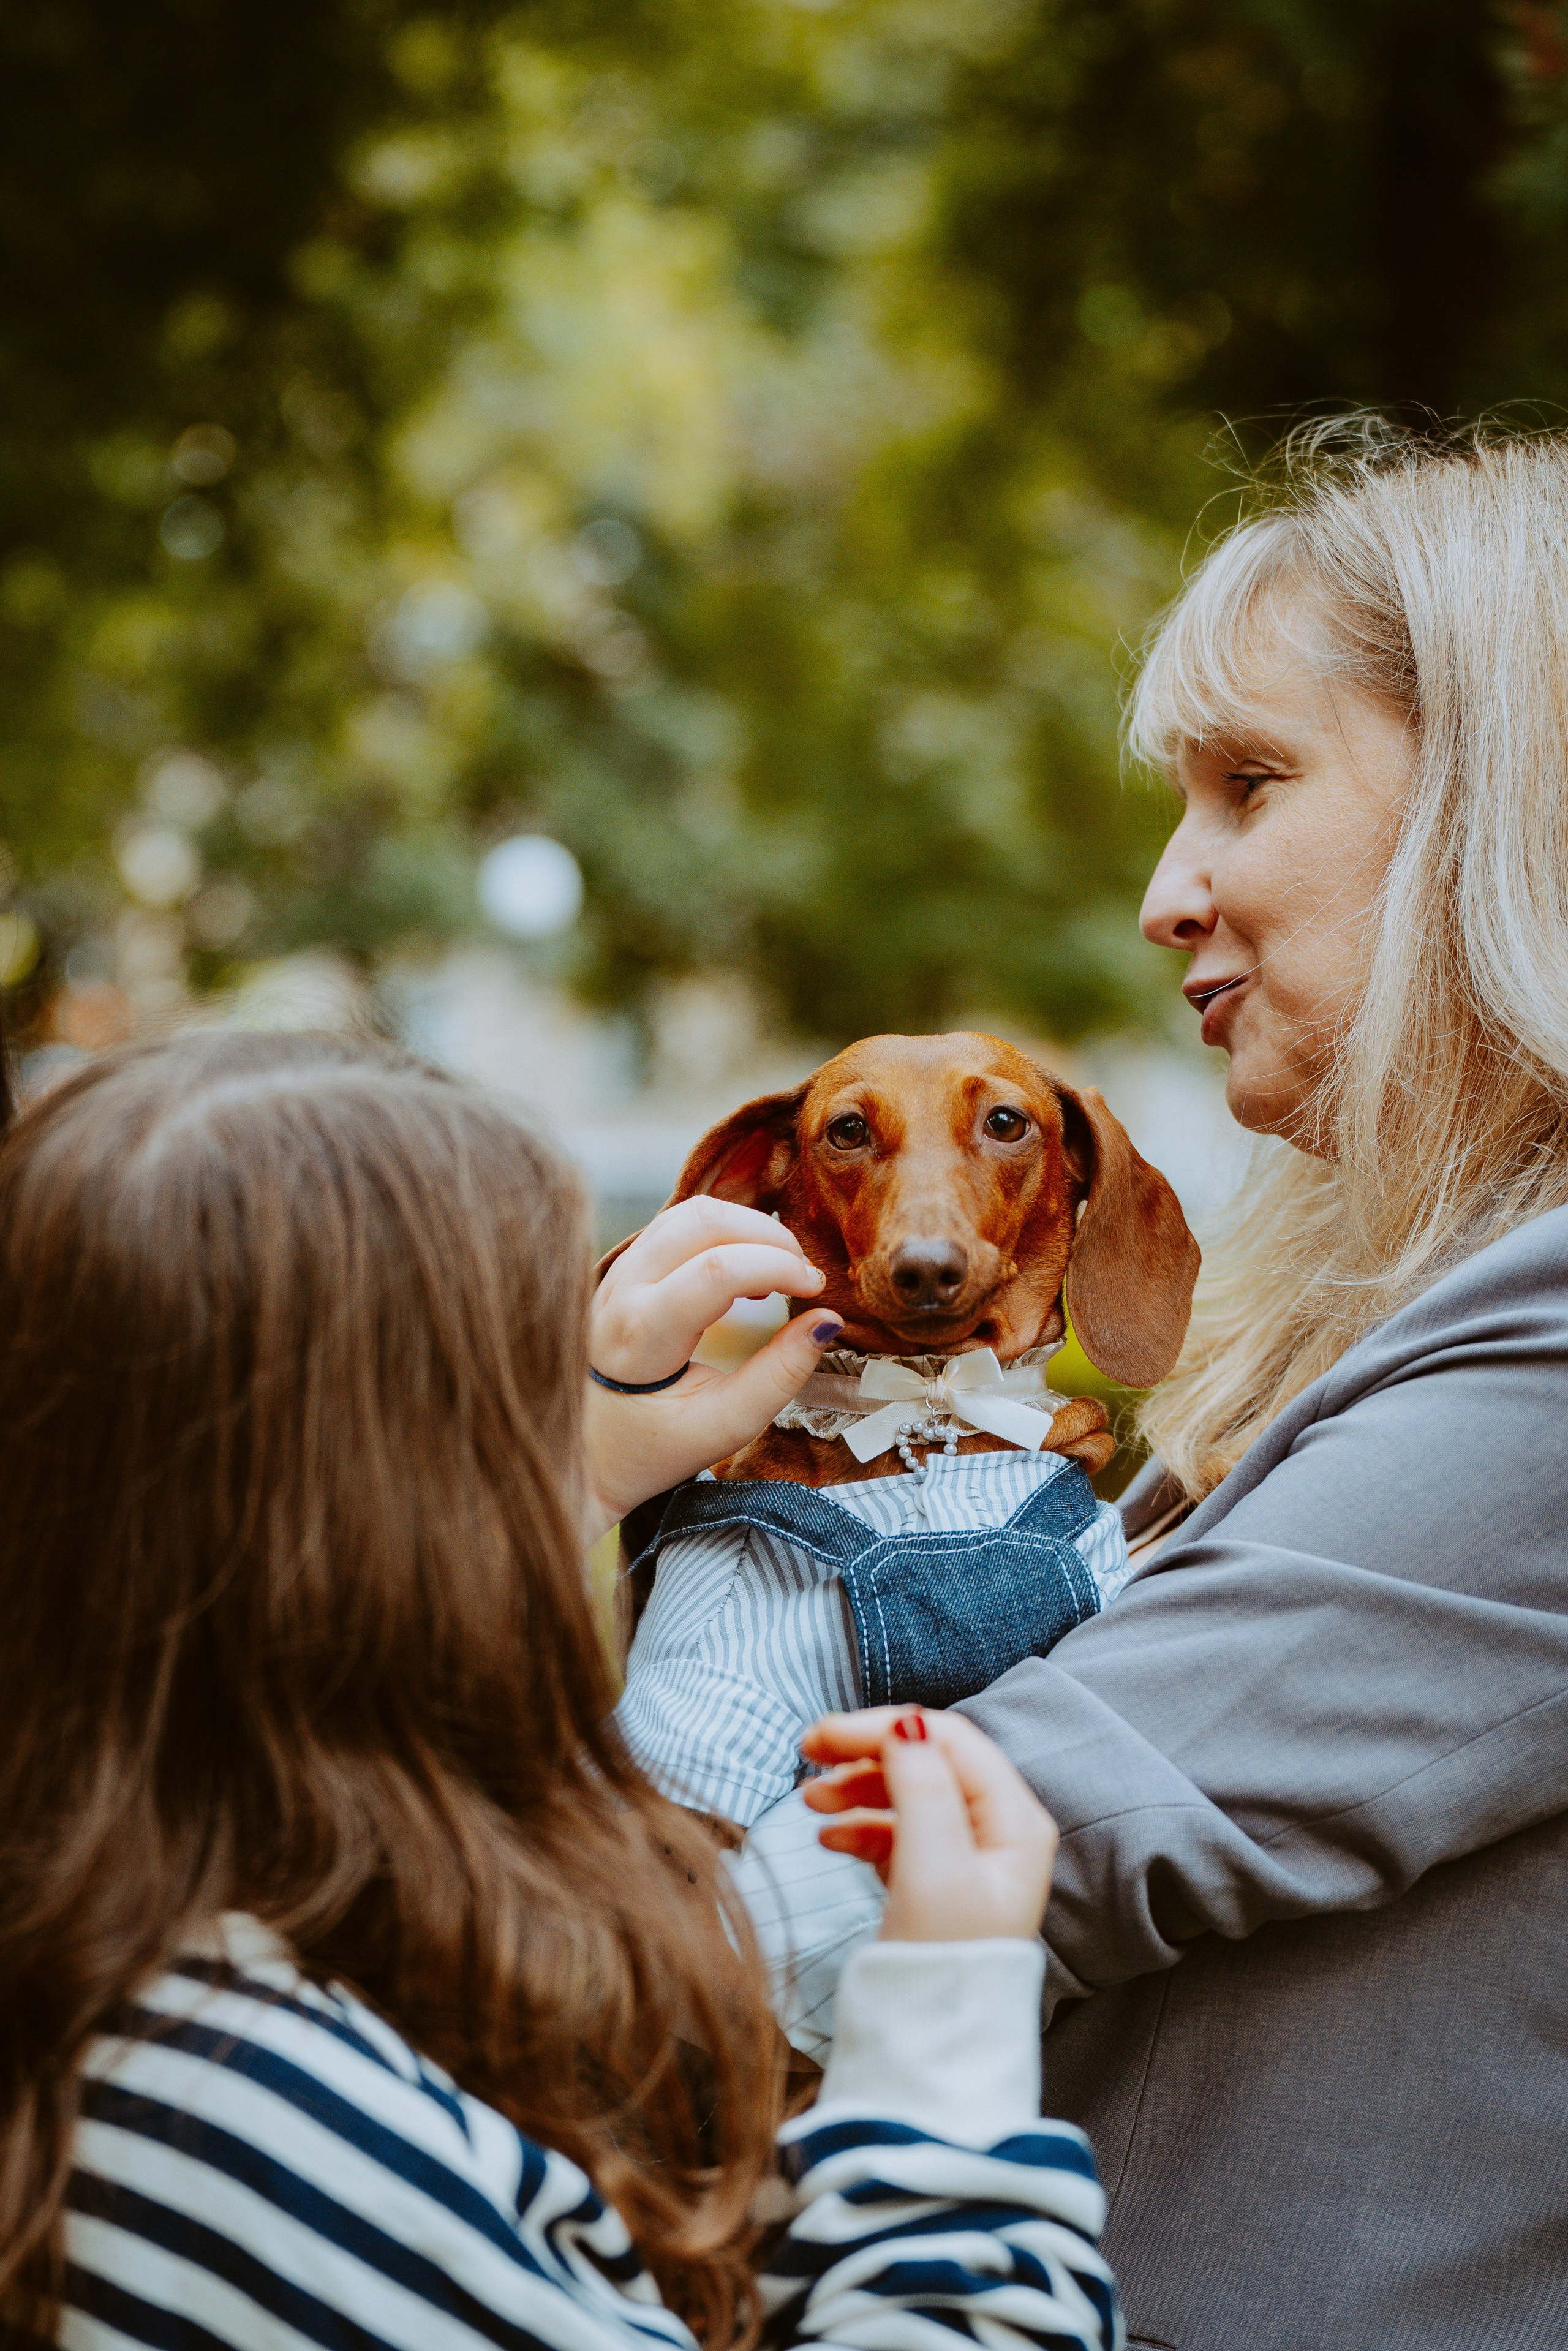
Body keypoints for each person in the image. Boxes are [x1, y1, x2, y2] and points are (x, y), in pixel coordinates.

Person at [587, 423, 1568, 2350]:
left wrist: (409, 2008)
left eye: (1248, 782)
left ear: (1502, 802)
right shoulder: (1388, 1307)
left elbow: (1059, 1800)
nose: (1165, 889)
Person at [0, 1030, 1120, 2351]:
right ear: (352, 1496)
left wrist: (594, 1470)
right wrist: (944, 2008)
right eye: (527, 1382)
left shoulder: (155, 1906)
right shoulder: (229, 2116)